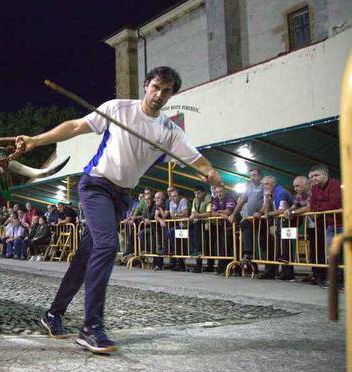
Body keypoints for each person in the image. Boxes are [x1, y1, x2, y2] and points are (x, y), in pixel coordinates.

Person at [17, 66, 220, 354]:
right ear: (146, 85)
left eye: (167, 91)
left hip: (122, 197)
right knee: (107, 245)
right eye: (156, 87)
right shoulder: (118, 109)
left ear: (172, 95)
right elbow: (75, 126)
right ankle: (91, 328)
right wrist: (36, 140)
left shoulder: (169, 131)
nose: (159, 95)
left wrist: (210, 172)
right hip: (96, 185)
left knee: (87, 255)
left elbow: (196, 159)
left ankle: (53, 314)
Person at [307, 165, 343, 289]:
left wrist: (319, 206)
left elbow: (335, 204)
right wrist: (323, 206)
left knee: (342, 253)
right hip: (331, 225)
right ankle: (336, 280)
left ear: (325, 175)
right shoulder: (314, 188)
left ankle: (341, 280)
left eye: (316, 175)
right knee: (331, 254)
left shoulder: (335, 184)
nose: (313, 178)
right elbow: (312, 207)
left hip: (344, 223)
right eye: (311, 176)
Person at [257, 176, 293, 280]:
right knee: (278, 247)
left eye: (266, 184)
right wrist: (267, 201)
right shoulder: (268, 192)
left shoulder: (281, 191)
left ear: (273, 184)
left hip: (289, 222)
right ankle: (275, 272)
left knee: (286, 247)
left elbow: (282, 210)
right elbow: (266, 210)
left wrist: (268, 214)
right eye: (263, 185)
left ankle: (288, 274)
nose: (264, 187)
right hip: (280, 222)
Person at [229, 168, 264, 262]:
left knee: (265, 244)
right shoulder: (250, 187)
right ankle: (248, 254)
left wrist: (261, 212)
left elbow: (267, 203)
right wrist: (233, 214)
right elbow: (241, 202)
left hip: (263, 218)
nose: (252, 178)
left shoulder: (264, 186)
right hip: (252, 219)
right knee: (244, 224)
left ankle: (270, 270)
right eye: (251, 175)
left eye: (254, 175)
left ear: (260, 176)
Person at [189, 185, 213, 273]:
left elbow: (208, 213)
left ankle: (210, 265)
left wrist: (197, 216)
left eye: (198, 193)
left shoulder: (208, 198)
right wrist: (196, 216)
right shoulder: (195, 200)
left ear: (203, 192)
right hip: (198, 225)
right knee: (197, 246)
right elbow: (193, 211)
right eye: (195, 193)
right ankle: (198, 266)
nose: (196, 195)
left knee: (209, 245)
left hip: (209, 224)